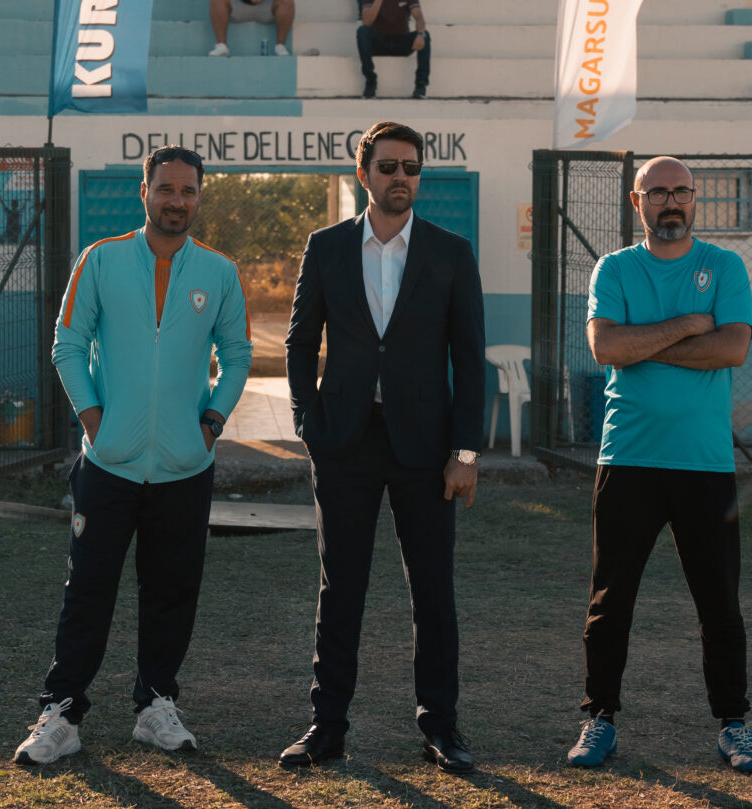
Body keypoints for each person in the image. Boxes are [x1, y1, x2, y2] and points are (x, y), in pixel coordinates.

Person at [14, 145, 252, 765]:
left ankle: (156, 706)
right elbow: (68, 344)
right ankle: (62, 713)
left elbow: (237, 355)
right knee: (88, 590)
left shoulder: (219, 272)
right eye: (165, 188)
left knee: (172, 591)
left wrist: (211, 423)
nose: (177, 201)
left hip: (185, 468)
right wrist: (96, 421)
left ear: (199, 197)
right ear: (143, 191)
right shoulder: (101, 259)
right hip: (109, 465)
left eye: (188, 191)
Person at [280, 121, 484, 773]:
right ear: (362, 173)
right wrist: (307, 421)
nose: (402, 177)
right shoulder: (327, 247)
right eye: (389, 166)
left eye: (412, 168)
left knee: (433, 592)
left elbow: (469, 359)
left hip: (426, 448)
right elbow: (299, 341)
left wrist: (466, 452)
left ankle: (441, 728)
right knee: (340, 588)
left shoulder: (451, 251)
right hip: (344, 442)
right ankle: (326, 727)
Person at [567, 156, 752, 773]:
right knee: (610, 600)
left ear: (694, 198)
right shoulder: (615, 268)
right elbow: (606, 345)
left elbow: (732, 348)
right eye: (657, 193)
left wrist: (645, 343)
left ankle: (733, 724)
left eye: (681, 191)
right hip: (628, 458)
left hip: (704, 466)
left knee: (719, 603)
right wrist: (686, 327)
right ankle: (599, 719)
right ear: (637, 202)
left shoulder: (724, 266)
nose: (671, 202)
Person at [357, 0, 430, 98]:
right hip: (380, 43)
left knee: (425, 35)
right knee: (362, 31)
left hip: (401, 42)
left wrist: (420, 34)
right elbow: (366, 22)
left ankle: (421, 85)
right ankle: (370, 80)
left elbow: (419, 17)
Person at [208, 0, 295, 57]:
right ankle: (222, 46)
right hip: (238, 6)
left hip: (267, 7)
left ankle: (280, 46)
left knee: (286, 1)